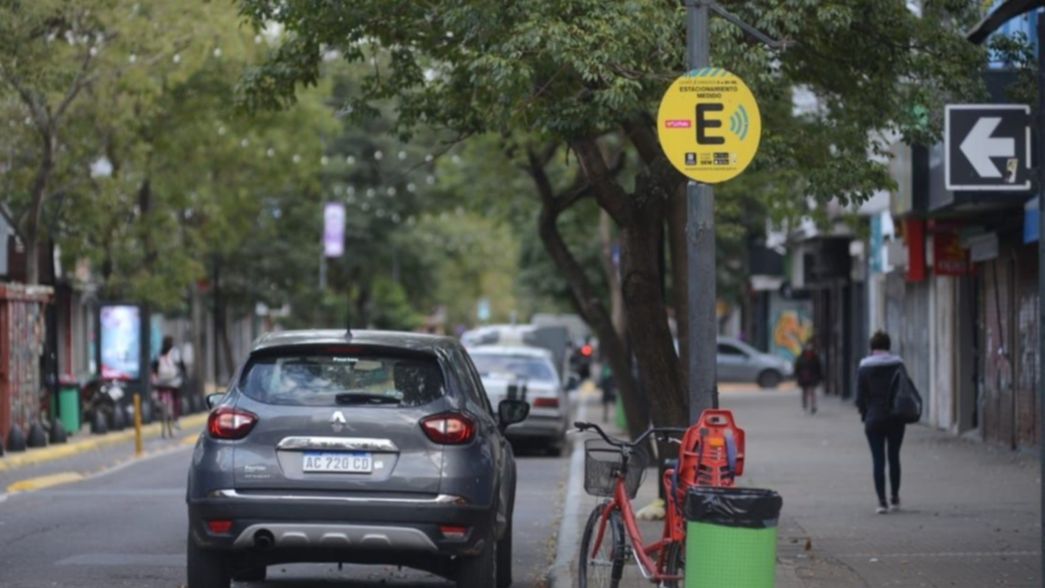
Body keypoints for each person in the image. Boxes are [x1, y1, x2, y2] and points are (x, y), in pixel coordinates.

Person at [856, 330, 907, 514]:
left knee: (878, 460)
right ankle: (895, 498)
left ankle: (882, 502)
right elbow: (905, 390)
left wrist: (865, 414)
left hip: (874, 419)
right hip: (896, 418)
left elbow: (859, 398)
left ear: (871, 347)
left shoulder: (864, 367)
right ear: (888, 346)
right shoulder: (898, 365)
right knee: (894, 458)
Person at [151, 336, 184, 438]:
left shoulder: (159, 353)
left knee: (162, 404)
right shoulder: (175, 352)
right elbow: (181, 366)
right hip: (173, 382)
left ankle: (163, 428)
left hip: (161, 382)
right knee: (176, 399)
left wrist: (155, 379)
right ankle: (176, 419)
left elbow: (154, 367)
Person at [793, 341, 823, 414]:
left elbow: (819, 368)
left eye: (810, 346)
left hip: (813, 376)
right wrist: (797, 376)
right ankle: (805, 405)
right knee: (805, 391)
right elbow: (797, 368)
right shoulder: (800, 357)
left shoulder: (815, 357)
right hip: (803, 377)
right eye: (807, 346)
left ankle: (813, 406)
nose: (809, 348)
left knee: (812, 391)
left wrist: (820, 377)